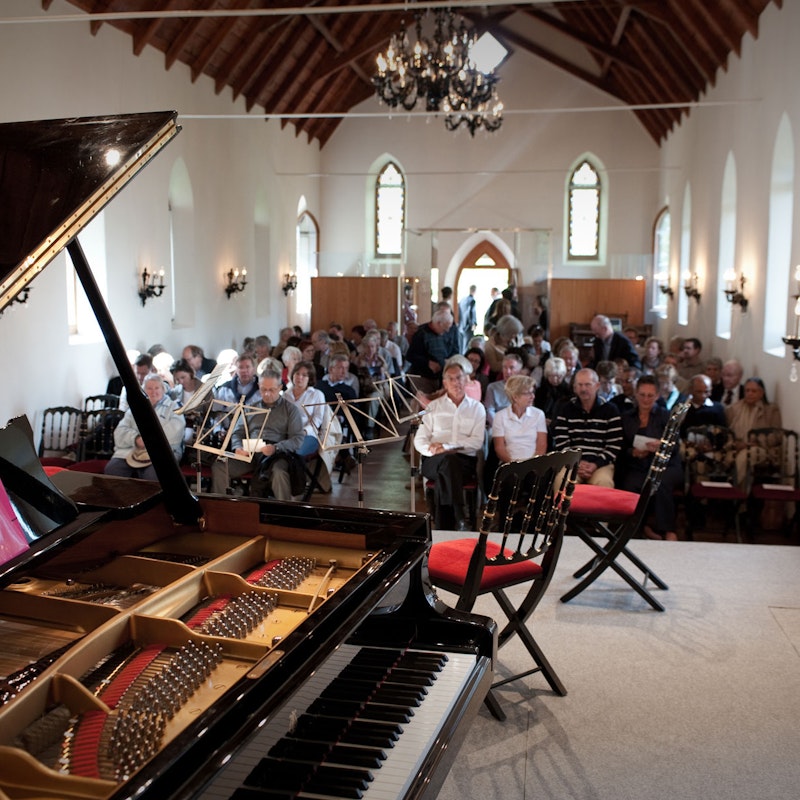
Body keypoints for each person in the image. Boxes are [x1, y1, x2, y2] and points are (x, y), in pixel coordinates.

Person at [414, 361, 486, 531]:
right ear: (444, 383)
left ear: (466, 380)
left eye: (459, 378)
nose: (456, 382)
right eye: (451, 379)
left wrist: (446, 446)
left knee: (448, 465)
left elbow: (477, 442)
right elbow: (419, 440)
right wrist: (433, 450)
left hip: (464, 462)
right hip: (433, 460)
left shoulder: (477, 408)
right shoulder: (432, 407)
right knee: (447, 461)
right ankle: (460, 517)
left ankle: (444, 526)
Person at [211, 370, 305, 500]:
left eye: (271, 390)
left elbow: (297, 439)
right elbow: (238, 432)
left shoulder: (290, 410)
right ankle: (221, 506)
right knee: (220, 466)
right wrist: (238, 447)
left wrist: (276, 447)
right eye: (263, 389)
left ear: (280, 388)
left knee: (278, 473)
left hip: (275, 455)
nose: (266, 394)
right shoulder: (250, 407)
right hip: (251, 453)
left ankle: (284, 511)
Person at [615, 375, 683, 540]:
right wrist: (633, 452)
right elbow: (620, 447)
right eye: (642, 395)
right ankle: (634, 528)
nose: (646, 399)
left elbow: (675, 446)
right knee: (631, 483)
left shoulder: (665, 416)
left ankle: (667, 530)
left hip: (665, 464)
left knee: (658, 482)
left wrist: (661, 445)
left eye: (650, 395)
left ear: (657, 396)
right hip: (637, 464)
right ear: (636, 394)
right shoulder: (626, 417)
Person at [104, 373, 185, 480]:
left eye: (157, 388)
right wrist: (136, 439)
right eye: (149, 388)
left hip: (162, 452)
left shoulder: (174, 406)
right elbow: (120, 431)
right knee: (112, 470)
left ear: (163, 389)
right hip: (132, 451)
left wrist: (149, 440)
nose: (154, 391)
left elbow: (176, 430)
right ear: (143, 390)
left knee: (152, 475)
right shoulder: (134, 408)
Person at [552, 368, 623, 487]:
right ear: (574, 387)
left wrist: (595, 464)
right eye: (580, 385)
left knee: (604, 483)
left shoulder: (611, 410)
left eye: (588, 384)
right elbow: (561, 442)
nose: (583, 389)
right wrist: (576, 463)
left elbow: (614, 444)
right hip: (571, 462)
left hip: (601, 464)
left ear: (597, 385)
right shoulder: (565, 409)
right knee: (562, 482)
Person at [726, 377, 782, 483]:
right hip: (737, 446)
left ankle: (732, 486)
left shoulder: (771, 410)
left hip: (760, 448)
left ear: (761, 393)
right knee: (725, 457)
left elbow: (777, 435)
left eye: (753, 391)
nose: (750, 394)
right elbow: (728, 432)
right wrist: (735, 444)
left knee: (745, 456)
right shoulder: (734, 408)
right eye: (747, 391)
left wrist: (755, 441)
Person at [491, 374, 547, 463]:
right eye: (528, 393)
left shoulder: (539, 414)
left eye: (533, 392)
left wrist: (532, 465)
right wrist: (514, 465)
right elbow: (499, 448)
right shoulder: (500, 416)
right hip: (509, 465)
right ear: (515, 397)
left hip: (534, 465)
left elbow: (542, 445)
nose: (533, 396)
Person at [406, 306, 460, 394]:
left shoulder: (451, 330)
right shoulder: (421, 333)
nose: (447, 331)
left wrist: (449, 360)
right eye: (445, 328)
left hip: (442, 376)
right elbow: (410, 356)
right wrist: (428, 363)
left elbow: (455, 350)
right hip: (423, 377)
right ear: (438, 323)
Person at [284, 361, 327, 458]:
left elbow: (318, 419)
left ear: (310, 378)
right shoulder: (286, 395)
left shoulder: (317, 394)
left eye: (304, 375)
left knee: (294, 450)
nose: (300, 377)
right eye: (297, 374)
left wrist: (304, 431)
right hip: (287, 434)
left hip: (309, 435)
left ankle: (297, 473)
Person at [483, 352, 524, 426]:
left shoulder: (525, 388)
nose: (507, 371)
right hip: (499, 424)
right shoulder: (492, 387)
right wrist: (501, 426)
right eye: (505, 367)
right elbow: (489, 411)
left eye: (511, 368)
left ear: (519, 371)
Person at [483, 314, 524, 379]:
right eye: (512, 334)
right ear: (504, 333)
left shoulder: (515, 339)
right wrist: (512, 363)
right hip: (499, 377)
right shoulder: (490, 345)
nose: (514, 336)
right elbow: (494, 366)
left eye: (516, 334)